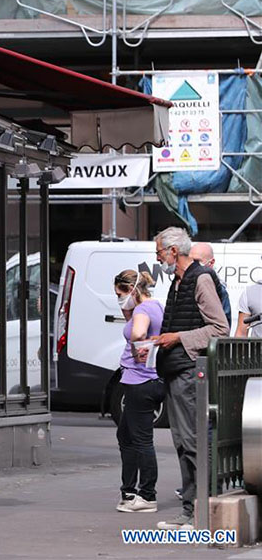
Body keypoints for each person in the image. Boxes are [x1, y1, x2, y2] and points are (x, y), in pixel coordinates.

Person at [152, 227, 229, 530]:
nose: (158, 259)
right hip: (176, 369)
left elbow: (219, 328)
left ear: (173, 251)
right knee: (183, 443)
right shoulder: (178, 281)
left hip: (187, 370)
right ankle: (189, 511)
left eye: (159, 253)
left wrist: (177, 337)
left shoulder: (200, 278)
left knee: (192, 442)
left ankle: (197, 513)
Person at [113, 270, 165, 513]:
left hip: (140, 382)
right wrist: (128, 313)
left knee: (141, 440)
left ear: (132, 290)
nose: (119, 299)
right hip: (145, 380)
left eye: (120, 294)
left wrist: (137, 344)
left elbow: (138, 333)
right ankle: (129, 490)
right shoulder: (154, 306)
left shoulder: (143, 311)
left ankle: (147, 496)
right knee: (126, 436)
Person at [189, 242, 232, 327]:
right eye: (191, 261)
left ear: (211, 263)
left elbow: (223, 326)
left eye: (197, 261)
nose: (193, 265)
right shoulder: (183, 282)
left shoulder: (219, 290)